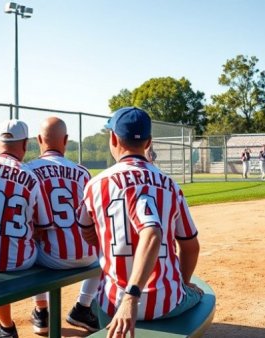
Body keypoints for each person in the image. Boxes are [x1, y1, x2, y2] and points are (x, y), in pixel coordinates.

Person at [77, 107, 204, 338]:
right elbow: (190, 247)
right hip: (167, 304)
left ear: (113, 138)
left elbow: (86, 230)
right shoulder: (171, 185)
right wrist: (183, 283)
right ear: (149, 143)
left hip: (114, 303)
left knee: (102, 297)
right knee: (201, 294)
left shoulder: (95, 185)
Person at [0, 119, 53, 338]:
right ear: (24, 144)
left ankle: (7, 327)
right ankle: (42, 311)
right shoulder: (31, 176)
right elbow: (44, 224)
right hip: (20, 261)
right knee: (35, 239)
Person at [27, 117, 100, 334]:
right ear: (66, 140)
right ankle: (83, 307)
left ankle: (41, 313)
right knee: (103, 250)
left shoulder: (28, 170)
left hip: (50, 257)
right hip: (87, 256)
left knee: (27, 245)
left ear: (39, 139)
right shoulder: (83, 172)